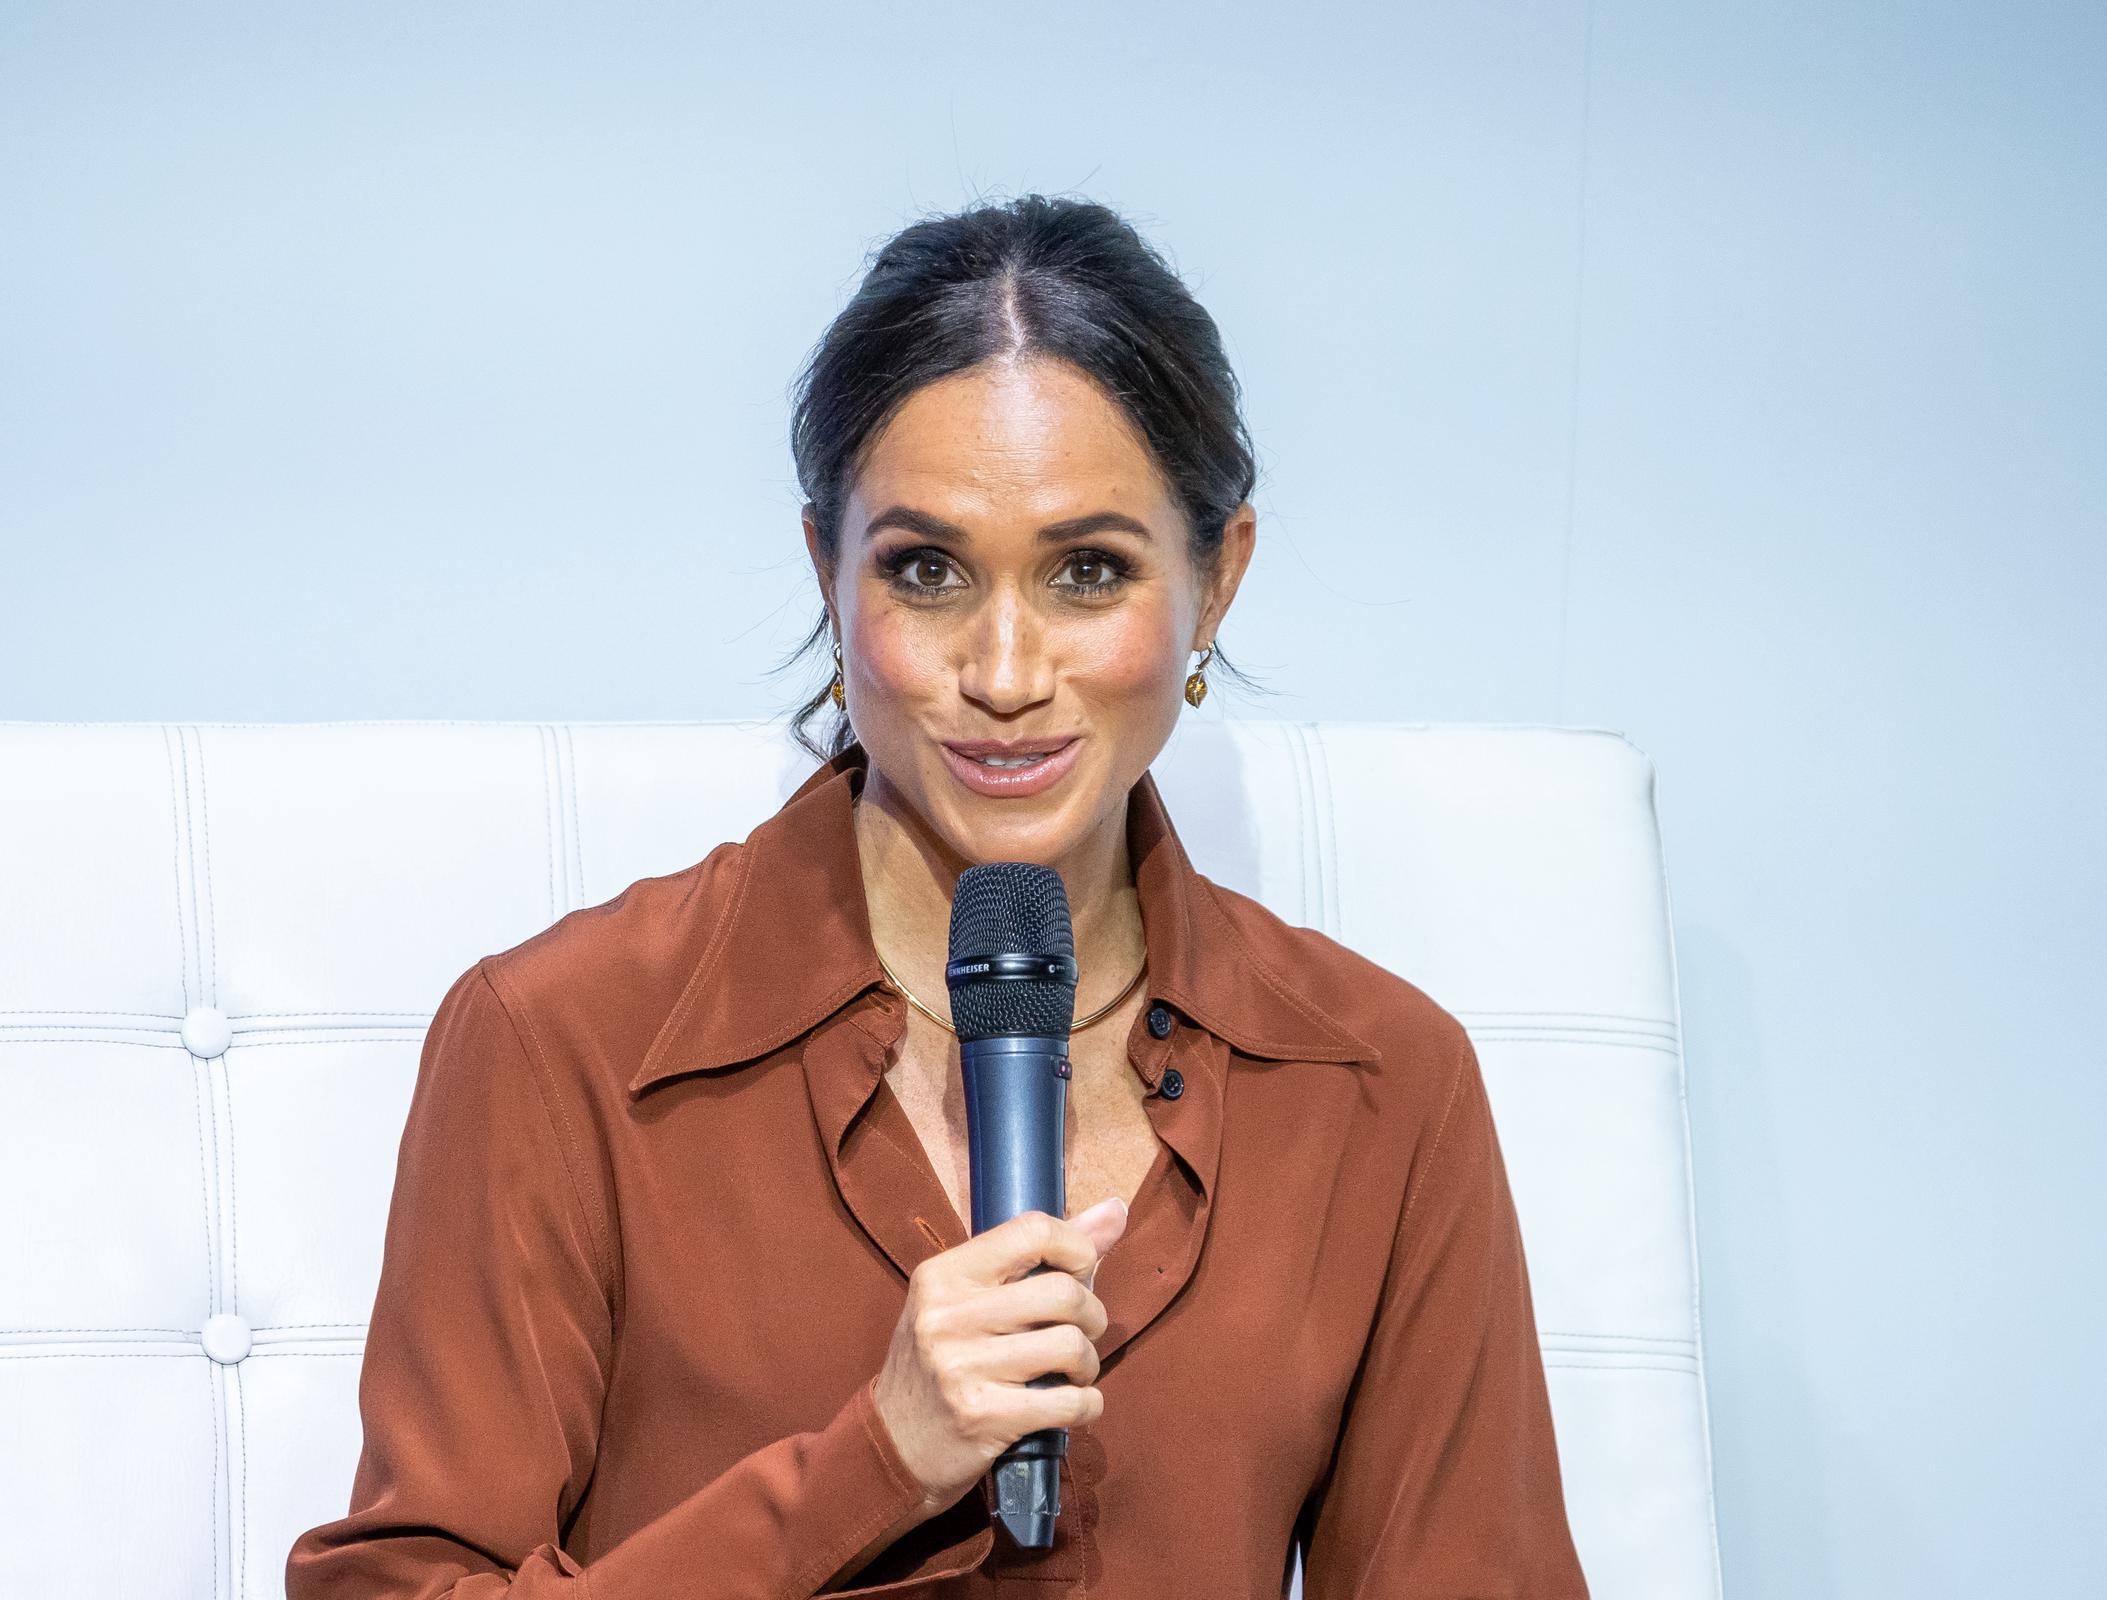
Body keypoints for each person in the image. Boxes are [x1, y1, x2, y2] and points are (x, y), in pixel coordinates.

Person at [286, 193, 1586, 1598]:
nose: (1008, 670)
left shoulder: (1380, 1085)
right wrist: (877, 1460)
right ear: (829, 581)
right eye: (926, 570)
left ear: (1218, 586)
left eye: (1091, 572)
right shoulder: (563, 1044)